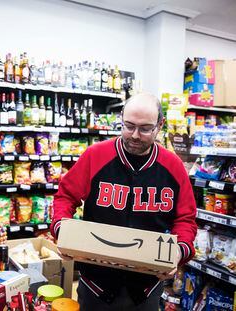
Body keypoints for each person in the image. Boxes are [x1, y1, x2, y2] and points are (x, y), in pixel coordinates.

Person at [51, 93, 197, 311]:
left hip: (146, 286)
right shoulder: (95, 156)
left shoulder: (173, 167)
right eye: (128, 126)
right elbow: (66, 197)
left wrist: (178, 253)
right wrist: (62, 229)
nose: (135, 135)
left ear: (160, 125)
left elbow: (185, 218)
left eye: (146, 128)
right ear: (120, 118)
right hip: (95, 284)